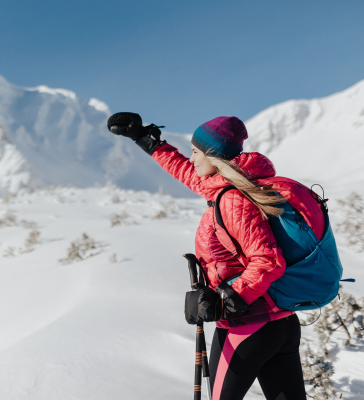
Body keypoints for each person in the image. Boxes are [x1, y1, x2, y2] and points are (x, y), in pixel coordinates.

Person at [107, 113, 307, 400]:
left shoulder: (232, 199)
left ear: (214, 157)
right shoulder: (230, 185)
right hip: (279, 322)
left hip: (249, 327)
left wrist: (225, 298)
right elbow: (186, 171)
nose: (192, 158)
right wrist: (147, 141)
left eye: (196, 152)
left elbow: (268, 260)